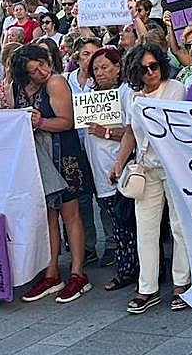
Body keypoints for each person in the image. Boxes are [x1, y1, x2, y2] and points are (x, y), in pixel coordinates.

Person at [108, 42, 191, 313]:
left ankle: (182, 283)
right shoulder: (134, 98)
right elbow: (131, 132)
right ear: (135, 72)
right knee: (146, 230)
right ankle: (148, 288)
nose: (150, 72)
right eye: (143, 69)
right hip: (146, 169)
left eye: (154, 66)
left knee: (179, 227)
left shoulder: (176, 89)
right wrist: (119, 163)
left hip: (174, 169)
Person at [13, 45, 95, 304]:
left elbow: (67, 121)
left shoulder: (57, 82)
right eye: (34, 70)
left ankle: (77, 273)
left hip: (63, 155)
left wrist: (39, 122)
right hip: (38, 156)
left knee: (70, 214)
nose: (41, 72)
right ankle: (51, 272)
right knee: (48, 215)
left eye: (42, 64)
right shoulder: (18, 88)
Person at [75, 47, 138, 293]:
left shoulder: (126, 94)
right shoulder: (91, 96)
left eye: (105, 67)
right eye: (96, 69)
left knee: (125, 224)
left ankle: (128, 270)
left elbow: (134, 130)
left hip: (120, 170)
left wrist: (107, 132)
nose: (100, 72)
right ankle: (130, 267)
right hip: (99, 172)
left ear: (118, 67)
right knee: (115, 223)